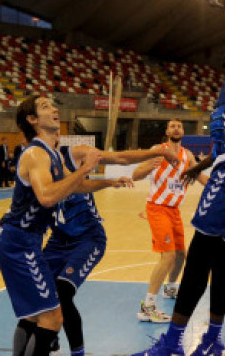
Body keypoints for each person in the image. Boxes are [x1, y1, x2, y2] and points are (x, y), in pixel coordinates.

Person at [131, 0, 225, 356]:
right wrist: (199, 168)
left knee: (200, 259)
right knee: (219, 259)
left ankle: (171, 343)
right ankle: (214, 340)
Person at [44, 138, 178, 356]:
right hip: (57, 239)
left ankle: (76, 353)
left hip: (87, 237)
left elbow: (120, 157)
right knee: (43, 295)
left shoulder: (75, 153)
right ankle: (53, 346)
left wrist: (159, 154)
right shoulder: (35, 162)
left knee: (63, 291)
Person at [0, 94, 101, 356]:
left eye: (53, 104)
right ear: (32, 120)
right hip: (20, 242)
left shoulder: (51, 154)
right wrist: (85, 168)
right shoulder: (36, 154)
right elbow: (48, 196)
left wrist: (110, 182)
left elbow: (79, 185)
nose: (54, 109)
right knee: (52, 318)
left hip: (23, 240)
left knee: (34, 316)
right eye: (44, 107)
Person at [131, 119, 209, 324]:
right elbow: (136, 174)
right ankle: (147, 306)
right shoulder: (158, 150)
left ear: (183, 131)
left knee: (181, 255)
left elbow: (200, 177)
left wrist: (221, 189)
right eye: (172, 126)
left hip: (174, 211)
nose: (176, 128)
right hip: (157, 208)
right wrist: (150, 164)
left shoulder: (188, 155)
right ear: (166, 131)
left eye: (180, 126)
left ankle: (171, 288)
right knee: (168, 256)